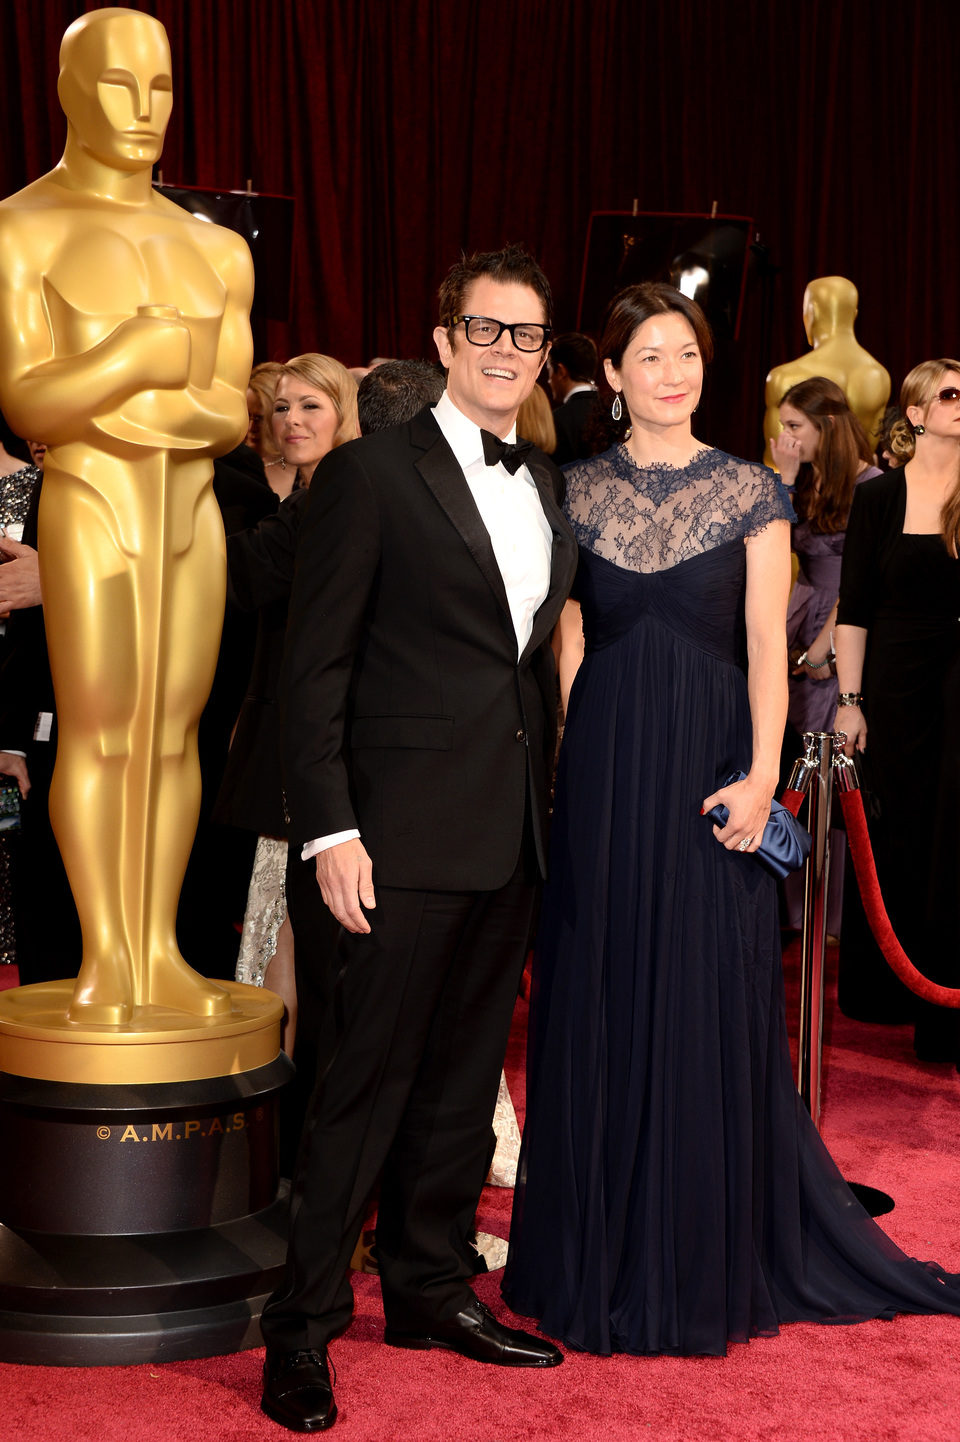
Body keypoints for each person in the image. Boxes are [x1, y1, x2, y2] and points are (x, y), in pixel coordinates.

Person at [502, 283, 960, 1357]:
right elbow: (567, 647)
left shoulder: (752, 491)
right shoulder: (573, 490)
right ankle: (596, 1246)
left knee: (704, 989)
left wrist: (761, 779)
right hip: (608, 766)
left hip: (714, 763)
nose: (672, 371)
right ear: (610, 376)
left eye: (688, 354)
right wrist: (567, 776)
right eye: (649, 355)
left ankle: (694, 1244)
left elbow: (768, 647)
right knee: (601, 990)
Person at [257, 245, 577, 1432]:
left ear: (545, 354)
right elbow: (315, 669)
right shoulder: (369, 474)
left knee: (457, 1084)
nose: (506, 353)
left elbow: (526, 668)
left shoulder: (545, 483)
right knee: (358, 1087)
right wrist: (329, 827)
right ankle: (299, 1328)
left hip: (508, 836)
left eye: (527, 336)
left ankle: (432, 1287)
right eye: (486, 331)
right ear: (444, 339)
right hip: (387, 839)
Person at [0, 7, 253, 1024]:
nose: (144, 110)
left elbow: (231, 412)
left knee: (175, 735)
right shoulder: (21, 228)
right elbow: (29, 400)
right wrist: (135, 362)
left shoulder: (217, 249)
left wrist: (108, 394)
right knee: (104, 734)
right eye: (118, 85)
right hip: (92, 506)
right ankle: (108, 953)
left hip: (191, 510)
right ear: (66, 89)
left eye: (161, 89)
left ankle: (158, 950)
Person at [223, 354, 358, 1056]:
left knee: (297, 940)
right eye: (280, 407)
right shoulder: (305, 499)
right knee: (281, 935)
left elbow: (238, 573)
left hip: (314, 760)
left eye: (311, 405)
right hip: (288, 747)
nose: (291, 421)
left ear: (343, 410)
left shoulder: (331, 498)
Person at [834, 359, 960, 1063]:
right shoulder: (880, 498)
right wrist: (850, 701)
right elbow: (856, 609)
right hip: (894, 681)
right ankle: (886, 989)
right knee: (897, 826)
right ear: (914, 413)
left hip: (958, 680)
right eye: (949, 395)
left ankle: (944, 1004)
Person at [770, 376, 881, 934]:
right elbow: (771, 543)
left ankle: (836, 915)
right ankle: (796, 909)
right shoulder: (809, 480)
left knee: (834, 774)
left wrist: (822, 649)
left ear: (827, 427)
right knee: (793, 767)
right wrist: (784, 481)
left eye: (794, 426)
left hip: (842, 627)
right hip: (799, 618)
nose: (783, 435)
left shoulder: (874, 485)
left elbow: (863, 583)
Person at [763, 277, 890, 462]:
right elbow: (868, 457)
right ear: (854, 314)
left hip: (802, 488)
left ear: (811, 313)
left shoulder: (784, 377)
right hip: (861, 487)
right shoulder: (879, 376)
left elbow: (775, 463)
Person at [547, 332, 600, 465]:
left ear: (561, 371)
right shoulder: (617, 413)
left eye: (549, 371)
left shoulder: (556, 421)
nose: (548, 380)